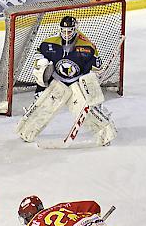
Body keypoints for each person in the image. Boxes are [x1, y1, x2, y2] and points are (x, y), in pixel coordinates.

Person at [16, 15, 117, 146]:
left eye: (69, 31)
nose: (66, 34)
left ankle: (105, 135)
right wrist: (41, 63)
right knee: (42, 105)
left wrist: (94, 79)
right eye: (63, 30)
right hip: (56, 82)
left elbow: (96, 69)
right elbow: (38, 54)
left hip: (76, 83)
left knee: (89, 109)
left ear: (75, 30)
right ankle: (26, 131)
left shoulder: (88, 47)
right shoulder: (49, 43)